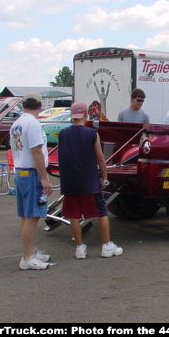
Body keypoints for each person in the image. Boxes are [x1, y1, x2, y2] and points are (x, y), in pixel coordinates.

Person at [58, 102, 123, 259]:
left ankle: (80, 248)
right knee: (101, 213)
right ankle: (106, 245)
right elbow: (100, 157)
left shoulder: (63, 134)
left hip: (69, 181)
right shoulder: (92, 134)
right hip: (89, 181)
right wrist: (105, 176)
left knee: (73, 215)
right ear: (85, 114)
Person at [10, 92, 54, 270]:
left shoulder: (17, 123)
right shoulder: (33, 123)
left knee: (25, 216)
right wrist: (44, 178)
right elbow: (36, 152)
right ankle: (27, 257)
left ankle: (29, 251)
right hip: (31, 172)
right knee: (33, 216)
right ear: (39, 105)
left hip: (21, 171)